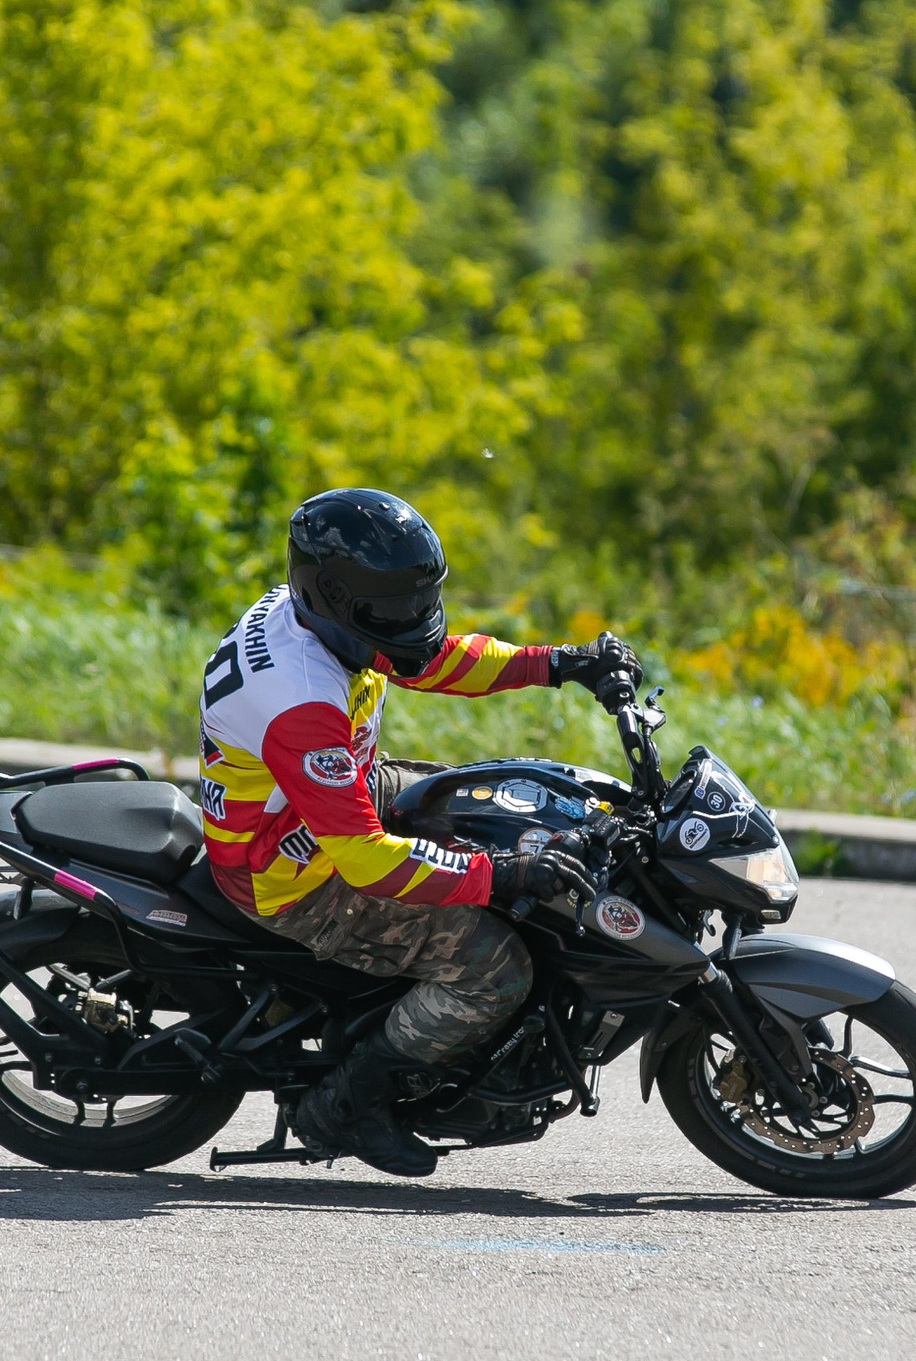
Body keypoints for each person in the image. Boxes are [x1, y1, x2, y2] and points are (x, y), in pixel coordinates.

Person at [197, 488, 639, 1178]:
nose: (414, 621)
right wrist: (501, 875)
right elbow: (368, 862)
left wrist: (560, 662)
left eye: (419, 600)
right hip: (292, 870)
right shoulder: (301, 700)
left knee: (510, 806)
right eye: (395, 610)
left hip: (331, 799)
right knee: (496, 968)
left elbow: (433, 659)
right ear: (339, 597)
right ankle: (347, 1105)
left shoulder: (320, 618)